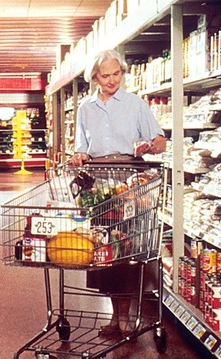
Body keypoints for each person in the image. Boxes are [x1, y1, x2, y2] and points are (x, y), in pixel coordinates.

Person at [70, 49, 166, 337]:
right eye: (105, 75)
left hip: (129, 182)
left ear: (122, 73)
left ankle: (126, 316)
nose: (112, 81)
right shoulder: (85, 108)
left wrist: (148, 146)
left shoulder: (136, 104)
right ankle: (116, 315)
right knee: (104, 249)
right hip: (99, 183)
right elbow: (81, 146)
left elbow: (160, 141)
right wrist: (79, 157)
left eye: (116, 74)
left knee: (126, 246)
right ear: (95, 77)